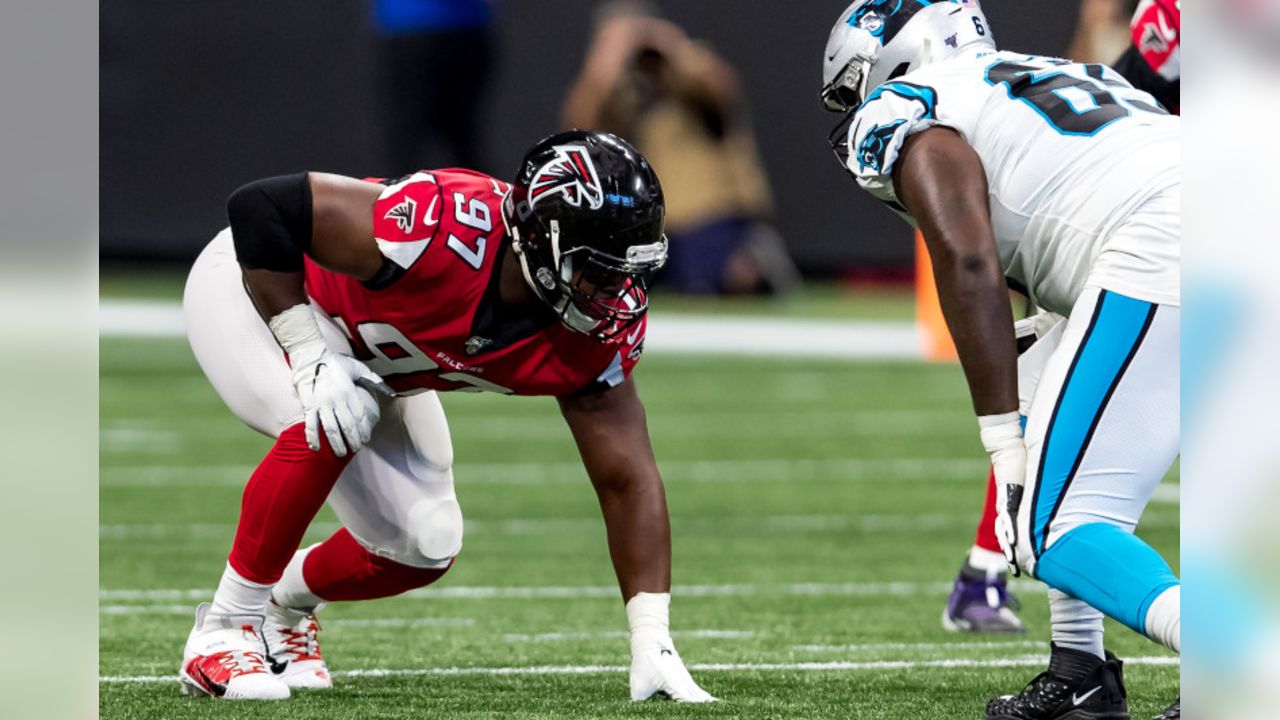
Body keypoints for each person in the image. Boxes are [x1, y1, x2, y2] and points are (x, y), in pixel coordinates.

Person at [178, 130, 713, 703]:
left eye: (629, 273)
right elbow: (261, 207)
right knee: (340, 410)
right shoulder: (442, 229)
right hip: (258, 293)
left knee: (424, 540)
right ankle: (224, 629)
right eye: (600, 271)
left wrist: (651, 638)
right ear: (539, 241)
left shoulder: (592, 334)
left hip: (366, 361)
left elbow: (626, 479)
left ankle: (282, 610)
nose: (620, 293)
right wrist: (307, 352)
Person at [819, 3, 1180, 719]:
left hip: (1165, 237)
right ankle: (1080, 670)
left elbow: (969, 257)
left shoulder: (912, 105)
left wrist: (1000, 438)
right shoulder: (1051, 72)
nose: (855, 107)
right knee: (1060, 449)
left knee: (1054, 527)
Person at [563, 1, 799, 295]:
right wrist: (604, 63)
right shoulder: (617, 89)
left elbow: (721, 91)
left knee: (714, 278)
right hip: (652, 222)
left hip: (713, 214)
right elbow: (577, 133)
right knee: (617, 284)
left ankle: (749, 258)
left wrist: (670, 46)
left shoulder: (691, 67)